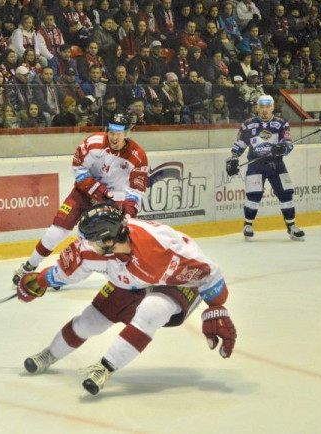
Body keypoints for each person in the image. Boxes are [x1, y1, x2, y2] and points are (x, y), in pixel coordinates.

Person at [17, 203, 237, 396]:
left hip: (174, 281)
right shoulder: (89, 249)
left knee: (152, 310)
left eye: (92, 240)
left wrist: (216, 307)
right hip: (130, 279)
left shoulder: (161, 248)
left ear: (109, 240)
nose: (86, 244)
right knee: (90, 321)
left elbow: (210, 271)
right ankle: (50, 354)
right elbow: (64, 272)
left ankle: (105, 368)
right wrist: (39, 282)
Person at [12, 113, 149, 285]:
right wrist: (96, 189)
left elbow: (136, 190)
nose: (114, 137)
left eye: (119, 133)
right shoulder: (93, 143)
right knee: (57, 230)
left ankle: (131, 277)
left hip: (115, 201)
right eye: (111, 132)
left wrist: (129, 211)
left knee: (114, 242)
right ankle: (29, 266)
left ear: (127, 133)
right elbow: (78, 166)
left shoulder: (138, 156)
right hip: (83, 192)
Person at [225, 94, 305, 241]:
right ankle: (248, 225)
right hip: (255, 165)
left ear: (273, 107)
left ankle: (291, 226)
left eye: (267, 106)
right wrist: (233, 159)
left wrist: (281, 148)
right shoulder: (248, 124)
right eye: (261, 106)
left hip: (277, 165)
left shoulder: (282, 123)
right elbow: (239, 144)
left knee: (286, 194)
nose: (264, 110)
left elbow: (288, 143)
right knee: (254, 195)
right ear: (257, 108)